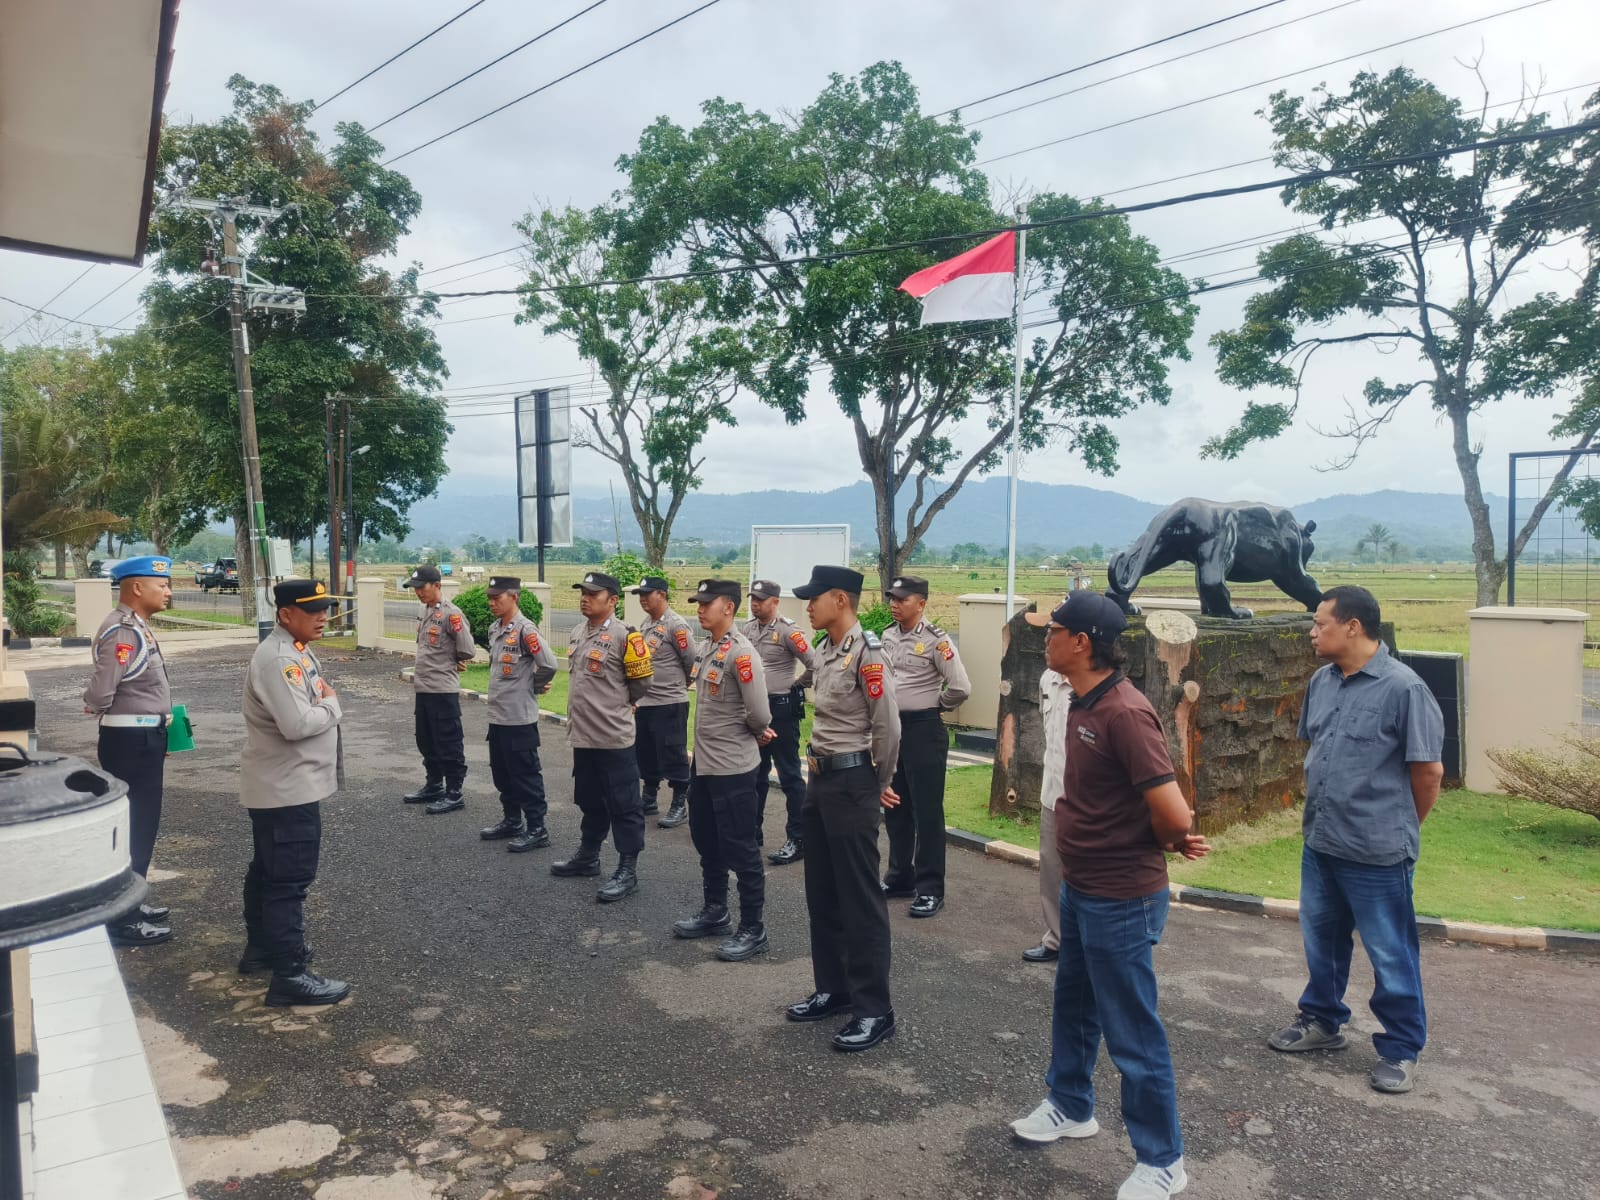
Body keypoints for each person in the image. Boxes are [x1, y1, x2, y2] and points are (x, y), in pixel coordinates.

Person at [1009, 593, 1209, 1200]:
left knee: (1132, 1032)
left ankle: (1163, 1160)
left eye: (1056, 631)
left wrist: (1172, 839)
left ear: (1084, 642)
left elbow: (1173, 810)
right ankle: (1070, 1107)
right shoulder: (1080, 700)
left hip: (1122, 897)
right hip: (1083, 886)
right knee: (1074, 1006)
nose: (1047, 639)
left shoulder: (1124, 712)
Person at [1267, 585, 1444, 1096]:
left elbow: (1428, 773)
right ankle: (1322, 1022)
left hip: (1378, 852)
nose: (1312, 631)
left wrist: (1402, 826)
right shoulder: (1322, 683)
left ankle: (1402, 1048)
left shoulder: (1404, 689)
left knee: (1391, 953)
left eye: (1320, 623)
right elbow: (1317, 753)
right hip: (1321, 843)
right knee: (1321, 942)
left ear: (1353, 626)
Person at [783, 564, 901, 1054]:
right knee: (823, 892)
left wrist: (879, 784)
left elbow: (888, 728)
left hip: (854, 782)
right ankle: (834, 988)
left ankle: (875, 1009)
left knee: (860, 899)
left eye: (814, 598)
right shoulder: (826, 651)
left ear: (841, 599)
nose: (807, 606)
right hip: (821, 778)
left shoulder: (867, 653)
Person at [237, 579, 350, 1006]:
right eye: (313, 610)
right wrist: (332, 704)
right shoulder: (279, 659)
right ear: (286, 614)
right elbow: (297, 724)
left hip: (281, 785)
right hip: (288, 788)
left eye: (325, 608)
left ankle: (263, 950)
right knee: (288, 881)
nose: (323, 616)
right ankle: (290, 974)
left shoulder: (293, 650)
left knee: (268, 872)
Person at [671, 579, 777, 962]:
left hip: (733, 767)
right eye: (697, 603)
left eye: (706, 603)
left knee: (741, 848)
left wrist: (754, 733)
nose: (699, 609)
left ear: (729, 608)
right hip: (705, 766)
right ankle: (716, 910)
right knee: (707, 841)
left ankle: (753, 928)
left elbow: (760, 714)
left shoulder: (741, 654)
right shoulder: (707, 647)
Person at [83, 555, 177, 947]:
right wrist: (95, 704)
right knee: (135, 829)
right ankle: (123, 920)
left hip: (140, 738)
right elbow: (103, 689)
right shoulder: (123, 631)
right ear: (136, 588)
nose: (168, 591)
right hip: (131, 741)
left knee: (141, 826)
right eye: (162, 585)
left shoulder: (136, 626)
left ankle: (131, 902)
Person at [552, 571, 654, 902]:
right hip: (583, 737)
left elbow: (640, 685)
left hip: (613, 737)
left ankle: (627, 870)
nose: (584, 598)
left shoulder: (628, 636)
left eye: (592, 594)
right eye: (582, 592)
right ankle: (588, 856)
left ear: (611, 600)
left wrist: (619, 707)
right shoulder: (579, 631)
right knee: (589, 800)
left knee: (625, 806)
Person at [880, 575, 971, 918]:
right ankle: (900, 876)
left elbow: (961, 687)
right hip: (893, 730)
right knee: (895, 807)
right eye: (892, 597)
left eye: (902, 599)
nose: (894, 603)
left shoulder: (937, 641)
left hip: (923, 730)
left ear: (921, 603)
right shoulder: (887, 636)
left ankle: (931, 888)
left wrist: (935, 705)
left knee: (927, 812)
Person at [476, 576, 559, 853]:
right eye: (490, 597)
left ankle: (537, 828)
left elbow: (548, 664)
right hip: (498, 715)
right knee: (502, 773)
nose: (491, 602)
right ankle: (512, 820)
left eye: (497, 598)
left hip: (519, 718)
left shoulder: (526, 630)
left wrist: (532, 687)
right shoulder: (494, 629)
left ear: (514, 597)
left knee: (526, 774)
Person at [742, 580, 815, 866]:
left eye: (761, 599)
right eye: (753, 598)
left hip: (781, 709)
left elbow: (814, 663)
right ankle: (752, 831)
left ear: (775, 602)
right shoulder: (748, 629)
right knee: (754, 773)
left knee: (789, 776)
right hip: (755, 709)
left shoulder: (787, 630)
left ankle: (798, 838)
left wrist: (796, 686)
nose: (755, 603)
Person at [399, 565, 476, 814]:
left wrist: (453, 659)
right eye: (415, 589)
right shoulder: (425, 610)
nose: (418, 593)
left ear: (437, 586)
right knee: (426, 739)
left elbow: (467, 649)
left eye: (422, 588)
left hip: (442, 689)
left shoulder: (451, 614)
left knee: (448, 741)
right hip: (424, 687)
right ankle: (434, 784)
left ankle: (454, 792)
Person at [1020, 603, 1072, 963]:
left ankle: (1083, 944)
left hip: (1084, 801)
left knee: (1085, 879)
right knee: (1051, 870)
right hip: (1053, 794)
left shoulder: (1096, 691)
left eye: (1053, 632)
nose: (1045, 639)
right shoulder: (1047, 680)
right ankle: (1056, 939)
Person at [630, 576, 696, 827]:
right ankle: (649, 797)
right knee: (646, 751)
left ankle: (680, 803)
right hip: (646, 701)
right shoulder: (646, 624)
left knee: (673, 752)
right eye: (640, 594)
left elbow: (691, 661)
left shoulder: (676, 625)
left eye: (647, 593)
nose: (643, 598)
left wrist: (681, 685)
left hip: (670, 702)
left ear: (662, 594)